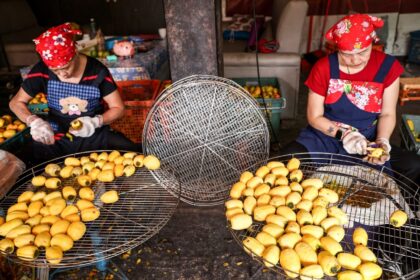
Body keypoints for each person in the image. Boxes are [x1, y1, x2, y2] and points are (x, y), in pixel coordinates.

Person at [280, 14, 420, 186]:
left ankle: (406, 212)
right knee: (286, 159)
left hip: (367, 140)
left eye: (362, 52)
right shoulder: (323, 68)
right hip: (326, 137)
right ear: (337, 49)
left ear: (372, 43)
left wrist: (381, 141)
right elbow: (315, 116)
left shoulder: (388, 67)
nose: (355, 60)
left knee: (413, 165)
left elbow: (388, 114)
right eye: (346, 54)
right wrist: (344, 134)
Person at [9, 23, 139, 164]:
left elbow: (118, 108)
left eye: (66, 67)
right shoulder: (41, 71)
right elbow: (15, 103)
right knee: (30, 159)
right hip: (57, 135)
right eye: (55, 71)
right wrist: (34, 121)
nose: (62, 74)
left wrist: (96, 122)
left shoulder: (97, 71)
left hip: (93, 134)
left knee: (131, 151)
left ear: (75, 53)